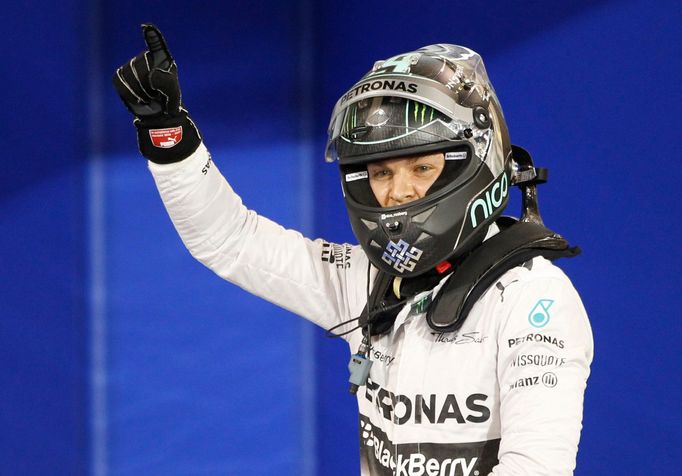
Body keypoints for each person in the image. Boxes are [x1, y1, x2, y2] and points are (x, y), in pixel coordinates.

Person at [114, 24, 593, 476]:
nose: (397, 193)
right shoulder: (368, 279)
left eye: (421, 168)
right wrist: (168, 139)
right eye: (381, 173)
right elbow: (229, 241)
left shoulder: (534, 301)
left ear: (474, 163)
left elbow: (536, 467)